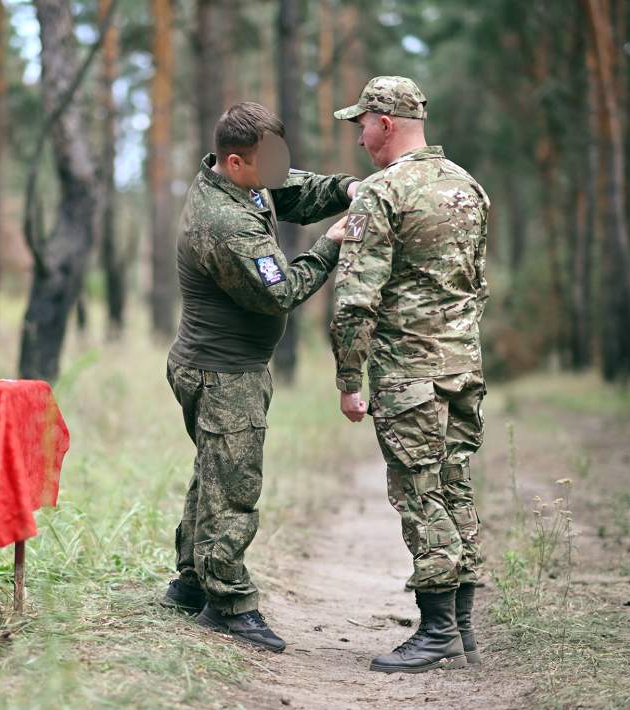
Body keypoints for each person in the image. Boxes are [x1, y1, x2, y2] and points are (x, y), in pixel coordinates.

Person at [163, 101, 359, 652]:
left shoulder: (240, 178)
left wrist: (348, 189)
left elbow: (293, 189)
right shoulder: (225, 224)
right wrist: (331, 246)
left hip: (217, 365)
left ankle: (192, 579)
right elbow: (281, 294)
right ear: (234, 161)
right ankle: (227, 603)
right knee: (234, 487)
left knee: (214, 473)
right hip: (222, 374)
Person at [329, 76, 490, 673]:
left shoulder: (381, 192)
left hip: (409, 374)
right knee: (454, 484)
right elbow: (472, 284)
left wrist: (350, 379)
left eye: (362, 124)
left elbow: (355, 299)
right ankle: (465, 627)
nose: (360, 136)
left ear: (386, 123)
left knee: (419, 493)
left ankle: (438, 631)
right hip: (463, 367)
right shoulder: (466, 186)